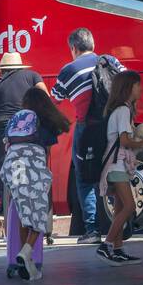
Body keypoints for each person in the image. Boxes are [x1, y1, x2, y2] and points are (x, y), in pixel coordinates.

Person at [52, 28, 123, 244]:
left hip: (88, 129)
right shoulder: (110, 61)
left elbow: (53, 100)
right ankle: (122, 222)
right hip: (113, 124)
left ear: (73, 48)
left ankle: (92, 231)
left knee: (84, 179)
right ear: (92, 44)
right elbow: (129, 83)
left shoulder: (68, 70)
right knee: (114, 172)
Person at [0, 87, 71, 281]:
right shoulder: (44, 122)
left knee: (23, 212)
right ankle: (27, 250)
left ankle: (26, 259)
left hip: (12, 166)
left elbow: (7, 144)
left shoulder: (15, 119)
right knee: (40, 211)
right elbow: (45, 151)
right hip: (33, 166)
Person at [97, 70, 143, 264]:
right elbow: (124, 140)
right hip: (117, 166)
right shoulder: (122, 110)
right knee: (130, 206)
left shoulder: (122, 110)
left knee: (120, 207)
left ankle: (118, 248)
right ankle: (106, 245)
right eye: (138, 85)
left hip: (116, 165)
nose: (142, 88)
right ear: (129, 87)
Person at [0, 51, 47, 199]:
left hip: (5, 132)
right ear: (21, 68)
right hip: (27, 130)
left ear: (2, 70)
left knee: (5, 175)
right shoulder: (32, 76)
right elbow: (46, 98)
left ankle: (8, 206)